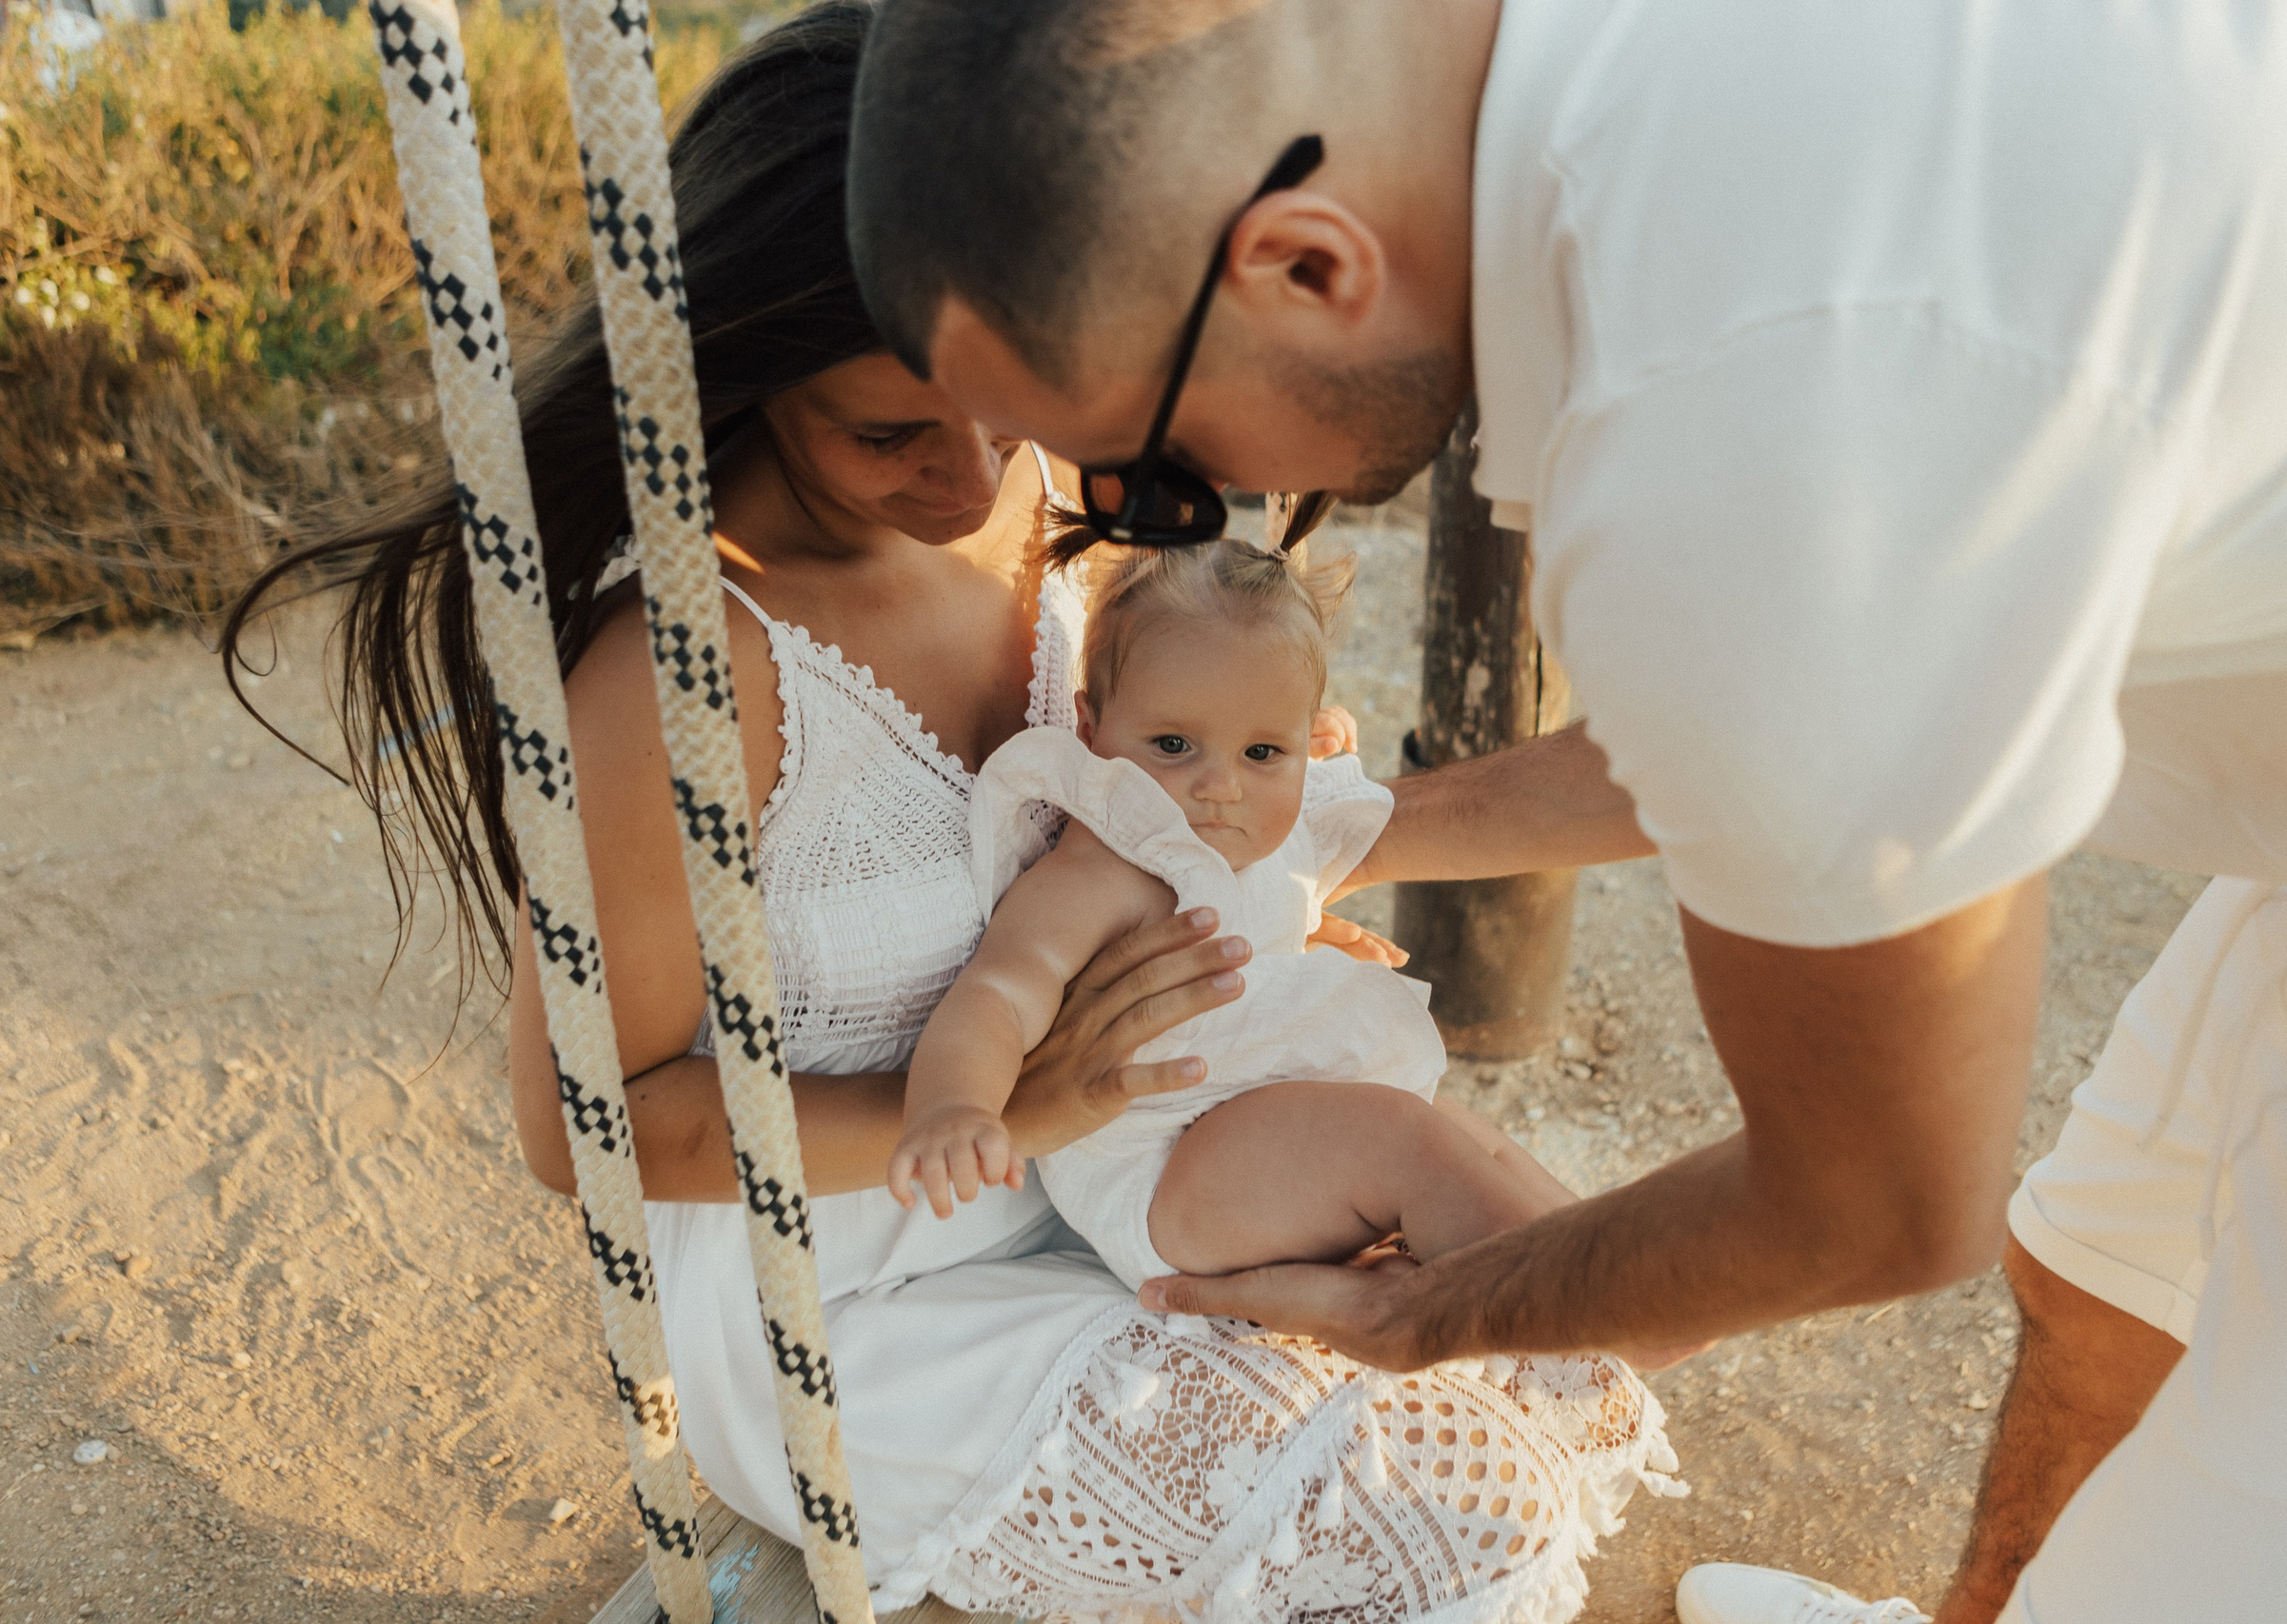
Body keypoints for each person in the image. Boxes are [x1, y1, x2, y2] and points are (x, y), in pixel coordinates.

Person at [226, 7, 1679, 1621]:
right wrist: (1008, 1101)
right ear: (739, 378)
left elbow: (1182, 806)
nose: (973, 475)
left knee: (1530, 1350)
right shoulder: (674, 679)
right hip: (871, 1302)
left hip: (1131, 1184)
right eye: (888, 433)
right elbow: (587, 1129)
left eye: (996, 405)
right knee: (1450, 1508)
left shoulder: (1058, 503)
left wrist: (1257, 901)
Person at [845, 3, 2287, 1622]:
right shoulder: (1668, 110)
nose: (1175, 522)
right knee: (2110, 1261)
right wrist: (1322, 837)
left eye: (1154, 477)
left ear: (1307, 266)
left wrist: (1435, 1315)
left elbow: (1878, 1202)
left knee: (2215, 1519)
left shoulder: (1720, 408)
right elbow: (1759, 710)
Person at [892, 536, 1576, 1293]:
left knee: (1464, 1136)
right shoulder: (1099, 873)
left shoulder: (1275, 831)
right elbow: (997, 993)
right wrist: (956, 1106)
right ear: (1090, 732)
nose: (1221, 786)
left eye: (1261, 753)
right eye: (1174, 744)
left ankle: (1611, 1279)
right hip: (1167, 1165)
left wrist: (1295, 749)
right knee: (1408, 1141)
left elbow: (1303, 765)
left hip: (1271, 1120)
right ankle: (1565, 1297)